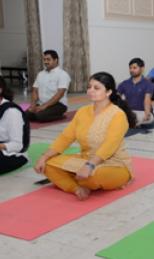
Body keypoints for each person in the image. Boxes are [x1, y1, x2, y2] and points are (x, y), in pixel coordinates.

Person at [34, 72, 137, 201]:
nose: (90, 91)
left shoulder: (117, 115)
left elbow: (109, 145)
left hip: (115, 165)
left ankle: (79, 178)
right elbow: (66, 138)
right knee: (48, 165)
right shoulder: (82, 111)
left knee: (94, 176)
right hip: (85, 160)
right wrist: (44, 157)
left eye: (96, 88)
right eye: (89, 87)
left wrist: (89, 166)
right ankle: (77, 188)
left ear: (109, 91)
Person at [26, 50, 71, 122]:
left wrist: (44, 106)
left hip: (58, 104)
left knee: (40, 115)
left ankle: (61, 115)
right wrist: (33, 105)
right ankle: (44, 111)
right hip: (42, 103)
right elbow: (35, 91)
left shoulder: (62, 74)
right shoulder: (41, 74)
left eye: (48, 59)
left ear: (56, 60)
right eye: (44, 59)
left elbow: (60, 94)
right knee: (26, 115)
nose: (45, 62)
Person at [117, 58, 154, 128]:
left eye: (134, 68)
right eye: (130, 68)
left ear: (142, 68)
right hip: (129, 112)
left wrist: (147, 112)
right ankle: (133, 123)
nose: (132, 70)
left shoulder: (148, 84)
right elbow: (116, 97)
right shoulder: (124, 83)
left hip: (141, 112)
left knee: (150, 119)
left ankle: (131, 122)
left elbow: (147, 99)